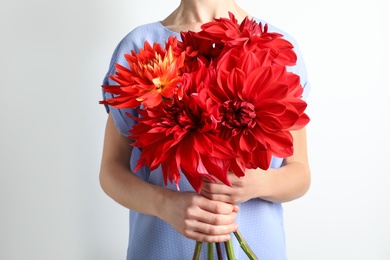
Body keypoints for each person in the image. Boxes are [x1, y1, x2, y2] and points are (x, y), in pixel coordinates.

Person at [99, 0, 311, 259]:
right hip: (163, 249)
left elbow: (300, 173)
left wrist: (259, 183)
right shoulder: (141, 44)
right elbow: (111, 171)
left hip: (257, 249)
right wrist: (165, 204)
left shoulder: (274, 45)